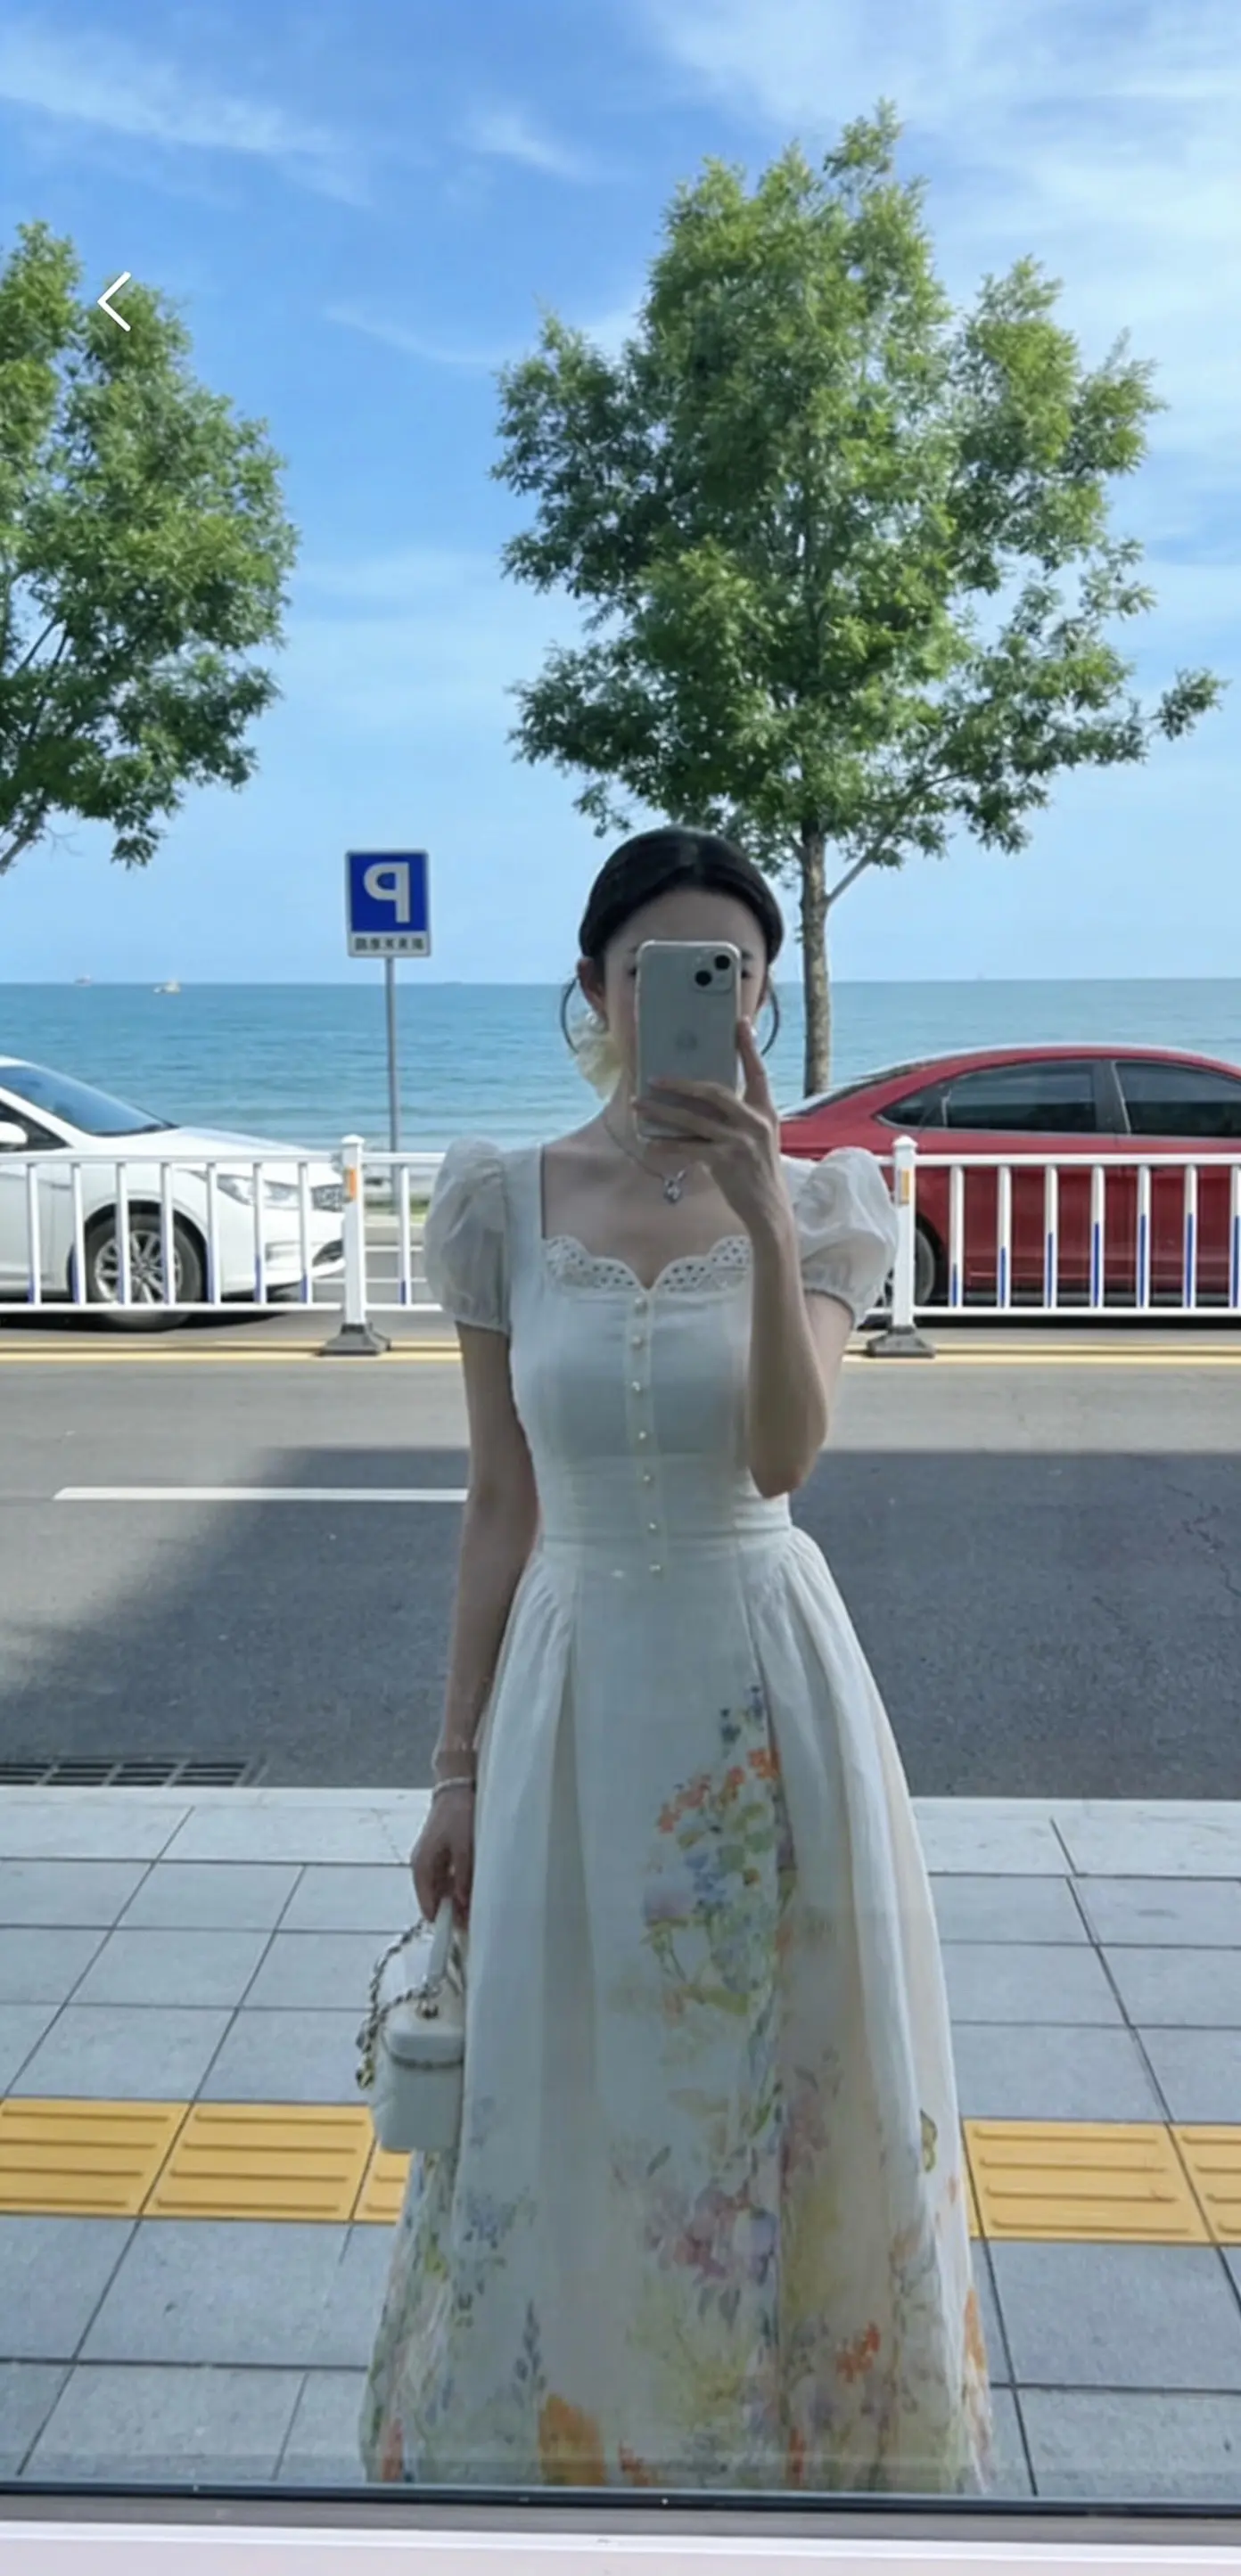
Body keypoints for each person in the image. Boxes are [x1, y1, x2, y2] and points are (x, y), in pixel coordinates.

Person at [359, 825, 994, 2494]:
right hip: (570, 1694)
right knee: (571, 2071)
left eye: (739, 977)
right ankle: (572, 2451)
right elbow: (499, 1502)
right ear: (597, 987)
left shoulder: (829, 1205)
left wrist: (765, 1218)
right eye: (663, 972)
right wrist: (452, 1769)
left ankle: (785, 2460)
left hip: (764, 1685)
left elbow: (785, 1456)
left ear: (762, 1000)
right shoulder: (501, 1200)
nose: (707, 1002)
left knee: (773, 2067)